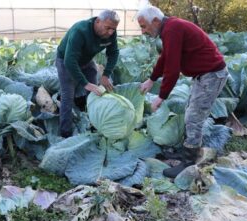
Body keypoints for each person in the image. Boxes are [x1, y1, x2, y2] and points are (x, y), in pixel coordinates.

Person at [137, 6, 229, 178]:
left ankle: (188, 163)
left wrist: (161, 97)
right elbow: (165, 57)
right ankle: (187, 152)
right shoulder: (170, 28)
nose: (143, 31)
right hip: (203, 75)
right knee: (190, 113)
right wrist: (152, 79)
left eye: (144, 26)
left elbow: (172, 68)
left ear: (155, 21)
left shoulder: (172, 28)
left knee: (194, 117)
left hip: (212, 75)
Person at [56, 10, 120, 138]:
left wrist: (106, 75)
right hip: (65, 61)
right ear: (97, 21)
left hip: (86, 60)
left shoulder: (111, 34)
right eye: (107, 28)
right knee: (68, 95)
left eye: (113, 29)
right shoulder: (80, 31)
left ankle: (94, 124)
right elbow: (70, 61)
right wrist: (85, 83)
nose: (110, 32)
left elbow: (113, 53)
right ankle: (65, 133)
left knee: (95, 93)